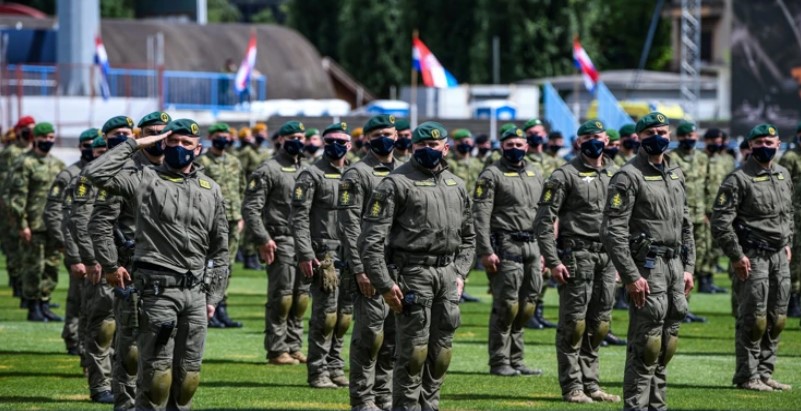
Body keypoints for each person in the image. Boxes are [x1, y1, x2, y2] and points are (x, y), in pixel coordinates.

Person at [86, 118, 229, 410]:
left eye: (186, 143)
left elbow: (221, 249)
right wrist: (135, 143)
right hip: (156, 291)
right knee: (156, 379)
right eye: (172, 142)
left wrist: (213, 297)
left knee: (188, 378)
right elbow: (95, 173)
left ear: (198, 149)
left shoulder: (210, 188)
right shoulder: (144, 179)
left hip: (196, 294)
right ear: (162, 144)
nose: (179, 147)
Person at [359, 121, 475, 411]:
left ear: (445, 148)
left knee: (441, 353)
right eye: (421, 145)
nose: (427, 149)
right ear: (411, 147)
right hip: (412, 274)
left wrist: (460, 272)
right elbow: (371, 240)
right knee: (414, 353)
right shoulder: (396, 183)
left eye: (433, 145)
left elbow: (469, 237)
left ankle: (430, 406)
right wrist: (385, 284)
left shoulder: (456, 185)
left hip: (447, 275)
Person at [600, 112, 695, 410]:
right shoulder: (628, 176)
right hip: (647, 266)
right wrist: (631, 275)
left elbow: (686, 224)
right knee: (648, 343)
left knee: (667, 342)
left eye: (663, 132)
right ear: (639, 138)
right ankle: (636, 406)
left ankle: (657, 405)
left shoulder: (676, 172)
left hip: (674, 265)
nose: (658, 137)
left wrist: (689, 268)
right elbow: (613, 230)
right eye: (651, 132)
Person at [536, 120, 621, 403]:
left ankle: (591, 383)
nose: (592, 142)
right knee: (574, 324)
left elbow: (627, 219)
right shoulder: (564, 175)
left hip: (608, 257)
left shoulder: (617, 174)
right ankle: (572, 386)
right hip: (577, 256)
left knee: (599, 324)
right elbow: (544, 221)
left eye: (597, 137)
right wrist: (552, 260)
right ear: (578, 142)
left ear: (606, 141)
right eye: (587, 137)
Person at [89, 111, 168, 409]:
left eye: (163, 131)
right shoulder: (125, 171)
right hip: (132, 267)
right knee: (131, 344)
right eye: (152, 132)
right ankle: (125, 402)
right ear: (141, 137)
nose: (159, 138)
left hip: (170, 271)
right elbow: (101, 223)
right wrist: (110, 264)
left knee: (165, 342)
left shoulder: (179, 171)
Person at [711, 123, 793, 392]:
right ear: (750, 146)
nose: (765, 147)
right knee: (754, 319)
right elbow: (721, 223)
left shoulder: (783, 174)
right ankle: (747, 376)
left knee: (777, 317)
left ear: (778, 144)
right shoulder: (737, 179)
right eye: (759, 143)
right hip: (752, 257)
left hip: (779, 256)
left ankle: (765, 373)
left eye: (770, 142)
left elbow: (788, 214)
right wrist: (736, 256)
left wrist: (788, 242)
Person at [73, 115, 135, 404]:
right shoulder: (91, 176)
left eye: (127, 133)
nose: (123, 137)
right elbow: (81, 220)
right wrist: (91, 259)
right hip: (102, 261)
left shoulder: (137, 170)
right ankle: (100, 385)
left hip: (131, 263)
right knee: (103, 326)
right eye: (117, 133)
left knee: (129, 329)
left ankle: (124, 384)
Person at [473, 126, 544, 377]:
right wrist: (485, 250)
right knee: (507, 305)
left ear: (527, 146)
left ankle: (517, 359)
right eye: (510, 144)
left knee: (527, 305)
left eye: (519, 144)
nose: (515, 148)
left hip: (532, 245)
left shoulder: (535, 172)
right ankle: (499, 361)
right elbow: (480, 215)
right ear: (502, 146)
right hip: (505, 245)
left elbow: (544, 214)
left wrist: (545, 250)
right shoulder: (491, 174)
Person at [339, 114, 399, 410]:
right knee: (369, 337)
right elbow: (349, 226)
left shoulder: (405, 171)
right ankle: (363, 399)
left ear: (397, 136)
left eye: (388, 133)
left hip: (400, 266)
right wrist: (360, 268)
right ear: (367, 139)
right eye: (376, 135)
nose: (383, 139)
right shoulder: (357, 174)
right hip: (370, 266)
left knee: (393, 337)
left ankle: (384, 395)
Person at [291, 122, 353, 389]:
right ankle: (318, 371)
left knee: (344, 316)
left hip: (351, 254)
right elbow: (298, 217)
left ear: (349, 145)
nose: (334, 146)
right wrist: (305, 253)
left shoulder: (354, 172)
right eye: (329, 141)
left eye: (340, 141)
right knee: (325, 315)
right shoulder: (311, 174)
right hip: (324, 254)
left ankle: (335, 366)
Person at [241, 120, 309, 365]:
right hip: (279, 239)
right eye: (292, 137)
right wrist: (263, 238)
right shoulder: (268, 169)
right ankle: (277, 349)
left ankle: (293, 345)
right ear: (280, 140)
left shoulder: (307, 169)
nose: (297, 142)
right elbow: (250, 208)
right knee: (282, 297)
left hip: (305, 242)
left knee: (301, 298)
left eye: (301, 137)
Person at [44, 128, 98, 353]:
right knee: (79, 296)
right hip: (76, 245)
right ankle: (74, 337)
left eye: (96, 145)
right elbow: (54, 211)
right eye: (87, 145)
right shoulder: (69, 175)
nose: (92, 149)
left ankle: (89, 341)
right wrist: (65, 244)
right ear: (80, 147)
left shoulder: (106, 173)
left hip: (98, 246)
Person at [8, 121, 66, 321]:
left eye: (51, 137)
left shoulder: (58, 165)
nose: (48, 141)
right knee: (33, 267)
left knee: (52, 266)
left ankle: (45, 302)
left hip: (53, 225)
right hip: (33, 225)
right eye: (44, 137)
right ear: (35, 139)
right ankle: (33, 306)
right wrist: (22, 224)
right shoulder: (25, 163)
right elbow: (17, 197)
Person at [195, 122, 245, 329]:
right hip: (211, 221)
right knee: (209, 265)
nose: (223, 139)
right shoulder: (202, 161)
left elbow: (241, 188)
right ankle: (207, 307)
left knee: (227, 266)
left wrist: (240, 216)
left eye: (226, 135)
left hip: (232, 219)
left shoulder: (234, 161)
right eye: (219, 135)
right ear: (211, 137)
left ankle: (221, 307)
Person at [670, 122, 716, 323]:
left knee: (693, 263)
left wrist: (708, 212)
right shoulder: (671, 158)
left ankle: (684, 306)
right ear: (679, 138)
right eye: (685, 135)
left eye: (692, 135)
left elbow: (707, 186)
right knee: (677, 262)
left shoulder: (703, 158)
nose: (689, 138)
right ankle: (674, 307)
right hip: (680, 218)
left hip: (700, 217)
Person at [522, 118, 559, 329]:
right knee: (530, 271)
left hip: (548, 220)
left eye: (539, 132)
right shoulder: (522, 160)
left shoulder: (552, 162)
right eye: (532, 133)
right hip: (527, 221)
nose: (537, 136)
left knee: (545, 271)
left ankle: (537, 309)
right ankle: (526, 311)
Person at [1, 115, 35, 301]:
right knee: (15, 248)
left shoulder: (32, 150)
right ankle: (19, 286)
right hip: (11, 208)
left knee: (29, 250)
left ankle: (31, 290)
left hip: (30, 207)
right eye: (28, 129)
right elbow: (6, 183)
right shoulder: (11, 152)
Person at [703, 128, 736, 282]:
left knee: (717, 244)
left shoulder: (725, 159)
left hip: (722, 208)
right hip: (705, 208)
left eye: (719, 141)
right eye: (714, 141)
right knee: (704, 245)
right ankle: (704, 277)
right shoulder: (701, 158)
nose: (717, 144)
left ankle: (709, 275)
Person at [777, 122, 801, 317]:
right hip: (795, 217)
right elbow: (781, 187)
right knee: (795, 260)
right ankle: (792, 299)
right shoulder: (790, 157)